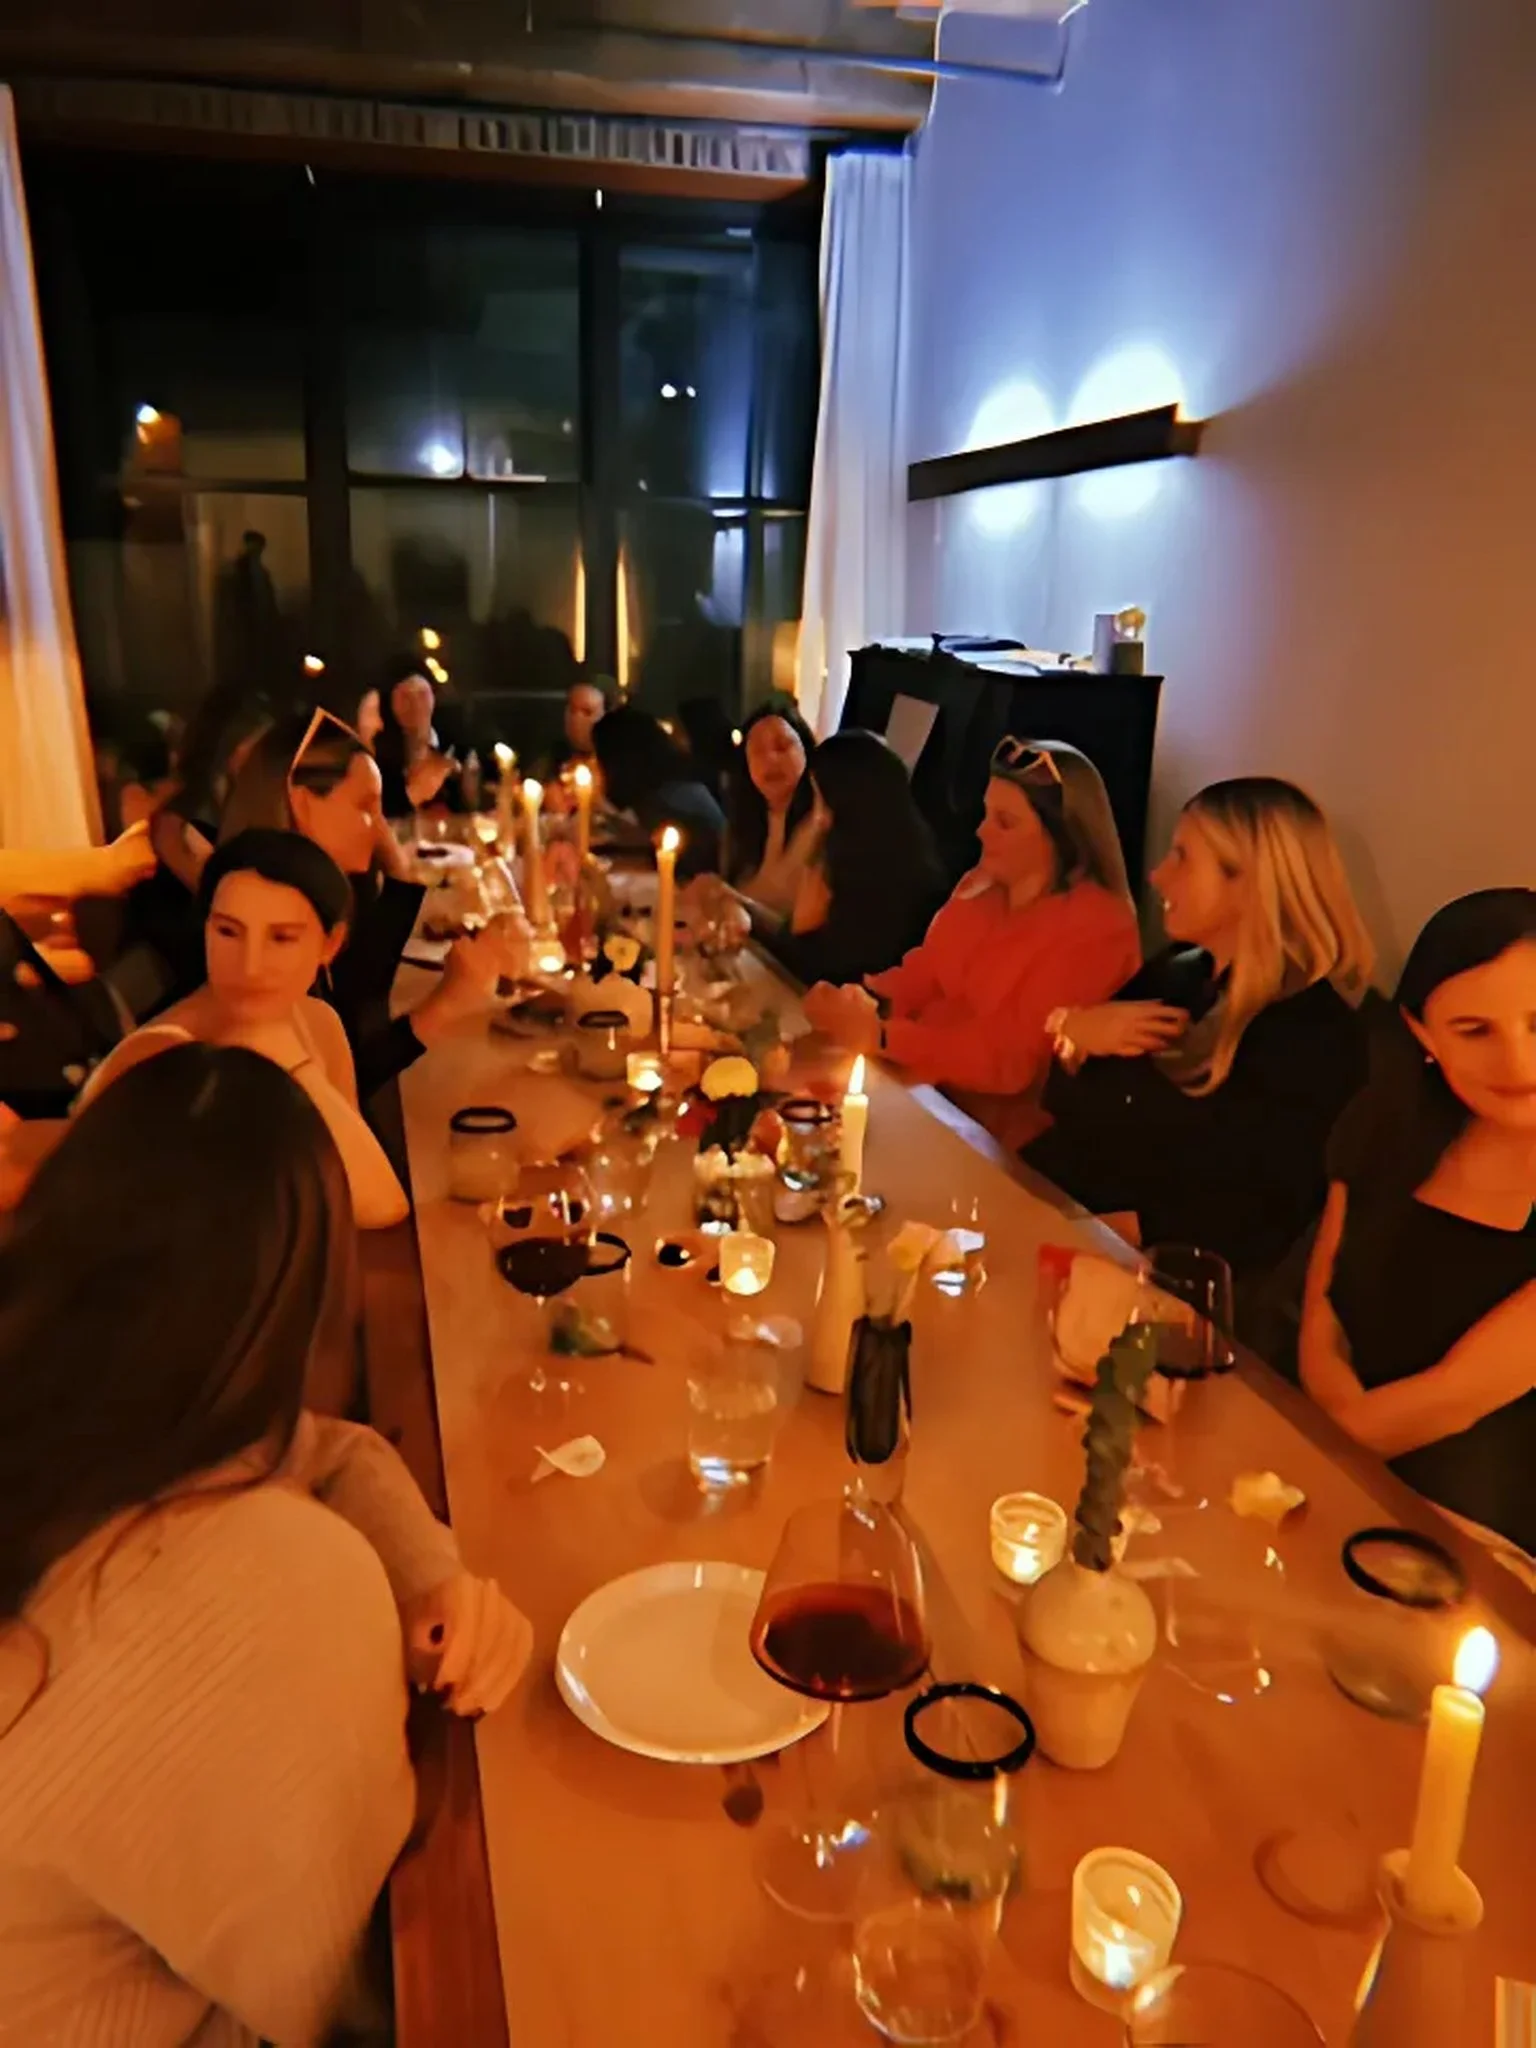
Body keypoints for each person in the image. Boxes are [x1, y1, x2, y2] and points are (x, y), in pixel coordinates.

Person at [0, 1046, 531, 2044]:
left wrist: (425, 1567)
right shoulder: (251, 1580)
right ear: (314, 1289)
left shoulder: (78, 1414)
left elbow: (317, 1446)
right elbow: (364, 1999)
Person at [1022, 777, 1374, 1283]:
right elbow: (1068, 1108)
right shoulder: (1178, 973)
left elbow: (1261, 1213)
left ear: (1250, 880)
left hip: (1160, 1281)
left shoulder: (1314, 1034)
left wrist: (1093, 1235)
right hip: (1071, 1223)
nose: (1159, 875)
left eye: (1183, 857)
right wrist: (1078, 1038)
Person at [1300, 890, 1536, 1560]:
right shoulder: (1387, 1129)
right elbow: (1323, 1304)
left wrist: (1326, 1435)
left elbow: (1454, 1398)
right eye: (1475, 1030)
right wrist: (1328, 1415)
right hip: (1335, 1473)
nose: (1518, 1064)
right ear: (1423, 1035)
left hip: (1484, 1547)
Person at [803, 739, 1141, 1147]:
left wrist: (884, 1037)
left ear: (1061, 836)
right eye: (986, 814)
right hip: (925, 1100)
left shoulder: (1099, 927)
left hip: (1007, 1147)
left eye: (1005, 822)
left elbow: (1010, 1062)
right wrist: (864, 996)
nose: (981, 831)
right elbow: (923, 972)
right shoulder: (979, 885)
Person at [76, 831, 410, 1229]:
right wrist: (276, 1049)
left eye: (281, 938)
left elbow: (357, 1187)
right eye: (228, 932)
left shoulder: (318, 1021)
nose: (250, 966)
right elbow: (377, 1205)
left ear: (330, 944)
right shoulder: (165, 1054)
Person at [221, 712, 527, 1102]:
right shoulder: (263, 926)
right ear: (301, 803)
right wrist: (444, 1006)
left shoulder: (313, 898)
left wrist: (390, 859)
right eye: (366, 806)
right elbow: (325, 1094)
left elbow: (364, 989)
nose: (379, 826)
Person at [766, 729, 946, 988]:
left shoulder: (863, 880)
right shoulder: (914, 856)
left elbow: (815, 974)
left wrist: (800, 931)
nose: (821, 817)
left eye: (823, 801)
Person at [591, 703, 725, 880]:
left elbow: (678, 864)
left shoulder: (671, 800)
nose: (595, 765)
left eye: (599, 757)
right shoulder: (660, 793)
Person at [723, 697, 818, 915]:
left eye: (782, 746)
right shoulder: (742, 825)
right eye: (757, 751)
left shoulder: (822, 821)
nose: (770, 759)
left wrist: (722, 896)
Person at [372, 660, 474, 818]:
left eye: (422, 694)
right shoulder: (377, 757)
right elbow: (379, 817)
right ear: (390, 704)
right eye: (405, 697)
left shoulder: (456, 747)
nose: (416, 705)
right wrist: (415, 794)